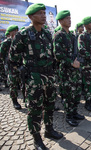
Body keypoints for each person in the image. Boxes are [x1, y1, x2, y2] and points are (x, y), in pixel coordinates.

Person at [9, 3, 63, 150]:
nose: (43, 16)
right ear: (31, 17)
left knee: (50, 104)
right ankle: (36, 139)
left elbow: (51, 54)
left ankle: (49, 130)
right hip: (34, 79)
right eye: (40, 13)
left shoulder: (47, 33)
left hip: (49, 76)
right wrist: (23, 71)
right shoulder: (23, 34)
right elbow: (12, 57)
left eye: (44, 13)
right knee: (35, 109)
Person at [53, 10, 84, 127]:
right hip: (66, 70)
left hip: (75, 69)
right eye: (67, 18)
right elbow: (58, 55)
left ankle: (74, 112)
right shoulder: (58, 35)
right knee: (68, 94)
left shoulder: (72, 35)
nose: (69, 20)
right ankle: (69, 115)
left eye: (70, 18)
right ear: (60, 21)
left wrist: (78, 62)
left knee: (76, 92)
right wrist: (71, 63)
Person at [0, 25, 21, 109]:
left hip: (20, 65)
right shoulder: (6, 42)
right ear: (10, 33)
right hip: (10, 66)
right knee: (13, 84)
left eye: (17, 30)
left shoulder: (19, 41)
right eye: (14, 31)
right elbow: (1, 55)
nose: (16, 32)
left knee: (23, 82)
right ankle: (15, 101)